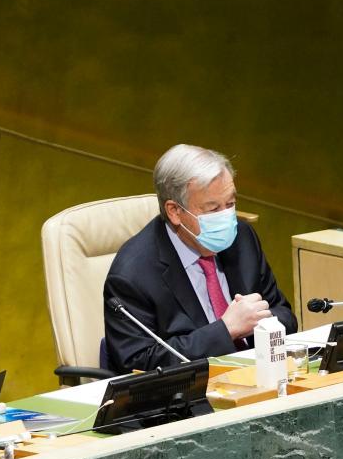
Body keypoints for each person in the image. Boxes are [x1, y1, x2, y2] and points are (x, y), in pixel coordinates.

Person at [103, 144, 297, 373]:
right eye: (213, 209)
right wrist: (226, 330)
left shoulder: (242, 239)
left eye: (230, 204)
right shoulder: (132, 274)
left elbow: (284, 315)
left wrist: (260, 322)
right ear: (175, 211)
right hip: (190, 397)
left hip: (258, 377)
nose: (226, 217)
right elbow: (140, 362)